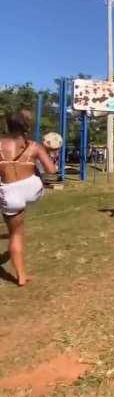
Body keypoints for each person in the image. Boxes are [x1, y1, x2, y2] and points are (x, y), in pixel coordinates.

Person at [0, 110, 58, 286]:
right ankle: (22, 275)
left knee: (15, 234)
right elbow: (52, 171)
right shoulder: (34, 146)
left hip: (10, 193)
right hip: (32, 191)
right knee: (35, 182)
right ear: (26, 126)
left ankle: (21, 276)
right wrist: (51, 155)